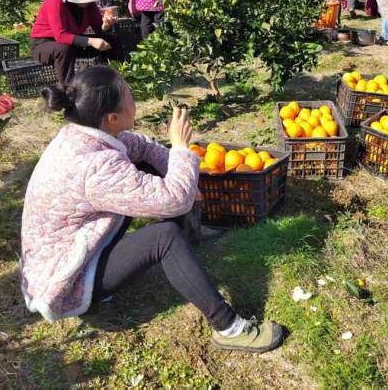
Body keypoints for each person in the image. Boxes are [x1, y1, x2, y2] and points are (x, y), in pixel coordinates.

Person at [19, 66, 284, 353]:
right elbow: (174, 199)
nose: (134, 99)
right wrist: (181, 150)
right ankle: (228, 328)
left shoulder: (86, 135)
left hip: (74, 248)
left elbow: (143, 148)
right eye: (128, 94)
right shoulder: (96, 167)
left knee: (149, 169)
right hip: (69, 277)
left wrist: (183, 176)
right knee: (164, 237)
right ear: (112, 118)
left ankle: (187, 242)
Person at [30, 0, 116, 85]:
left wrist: (105, 26)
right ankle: (68, 88)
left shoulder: (89, 4)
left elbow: (98, 27)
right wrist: (91, 41)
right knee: (64, 48)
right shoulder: (55, 1)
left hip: (72, 41)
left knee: (110, 40)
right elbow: (61, 36)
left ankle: (113, 79)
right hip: (44, 45)